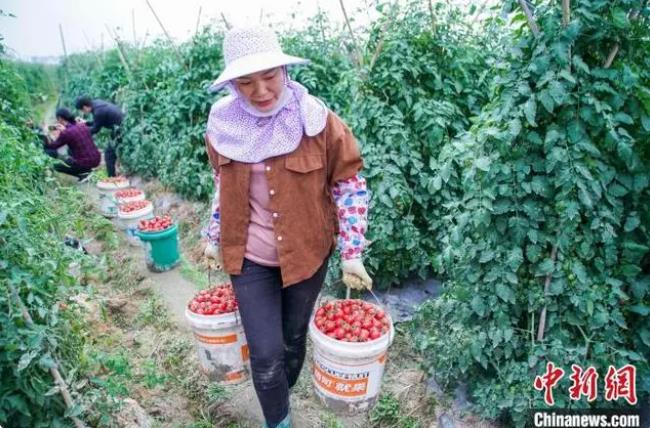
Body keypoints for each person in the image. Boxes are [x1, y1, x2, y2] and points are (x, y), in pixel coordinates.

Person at [202, 26, 373, 428]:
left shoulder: (318, 122)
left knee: (292, 341)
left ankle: (284, 393)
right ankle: (278, 420)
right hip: (249, 257)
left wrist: (353, 252)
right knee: (264, 357)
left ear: (284, 71)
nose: (260, 90)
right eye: (246, 81)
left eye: (269, 77)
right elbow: (221, 186)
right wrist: (212, 235)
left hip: (307, 252)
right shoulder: (224, 127)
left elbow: (348, 185)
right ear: (232, 84)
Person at [74, 96, 124, 177]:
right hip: (120, 127)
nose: (83, 112)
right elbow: (97, 122)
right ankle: (113, 176)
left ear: (84, 107)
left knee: (109, 154)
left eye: (82, 110)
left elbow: (95, 130)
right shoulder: (97, 104)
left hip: (121, 130)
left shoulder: (98, 112)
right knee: (111, 152)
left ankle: (112, 178)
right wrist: (85, 123)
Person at [46, 108, 101, 180]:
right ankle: (86, 170)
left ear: (60, 118)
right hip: (97, 159)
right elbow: (74, 135)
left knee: (56, 165)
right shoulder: (82, 125)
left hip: (85, 163)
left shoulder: (66, 133)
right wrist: (65, 129)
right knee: (71, 150)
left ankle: (83, 174)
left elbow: (52, 146)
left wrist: (46, 134)